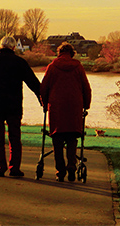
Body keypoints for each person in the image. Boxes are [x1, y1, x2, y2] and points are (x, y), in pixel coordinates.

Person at [0, 36, 42, 177]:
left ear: (0, 46)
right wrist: (42, 99)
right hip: (14, 106)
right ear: (14, 47)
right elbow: (33, 83)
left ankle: (0, 167)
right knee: (14, 138)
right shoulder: (19, 62)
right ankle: (14, 168)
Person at [40, 42, 92, 182]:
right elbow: (86, 88)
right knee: (72, 138)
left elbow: (44, 88)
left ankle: (60, 171)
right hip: (74, 107)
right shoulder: (78, 67)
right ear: (72, 53)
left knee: (57, 138)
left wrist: (44, 104)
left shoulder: (52, 67)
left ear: (59, 52)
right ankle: (71, 167)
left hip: (56, 107)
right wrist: (86, 105)